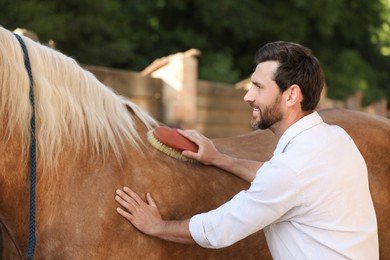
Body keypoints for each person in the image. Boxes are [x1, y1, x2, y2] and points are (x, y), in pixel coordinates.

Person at [115, 41, 379, 259]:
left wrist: (158, 226)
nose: (247, 96)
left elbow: (220, 229)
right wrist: (220, 159)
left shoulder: (291, 168)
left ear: (291, 95)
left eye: (259, 87)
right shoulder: (335, 138)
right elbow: (284, 179)